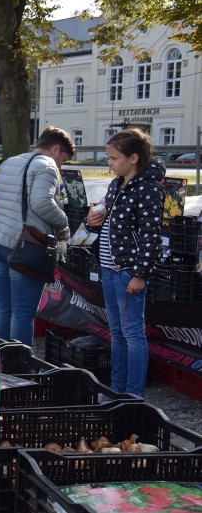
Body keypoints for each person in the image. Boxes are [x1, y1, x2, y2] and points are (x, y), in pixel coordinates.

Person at [86, 129, 164, 398]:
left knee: (132, 333)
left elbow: (152, 236)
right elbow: (105, 217)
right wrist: (90, 221)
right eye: (108, 157)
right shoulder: (116, 184)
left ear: (133, 158)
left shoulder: (149, 188)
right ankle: (117, 388)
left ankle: (133, 394)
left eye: (113, 158)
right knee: (116, 331)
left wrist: (140, 274)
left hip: (128, 272)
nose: (109, 163)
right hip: (109, 268)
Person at [0, 126, 75, 346]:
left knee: (3, 305)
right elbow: (41, 202)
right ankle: (20, 366)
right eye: (63, 158)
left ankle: (0, 359)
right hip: (23, 245)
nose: (61, 164)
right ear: (55, 149)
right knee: (23, 312)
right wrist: (63, 222)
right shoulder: (47, 165)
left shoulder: (10, 162)